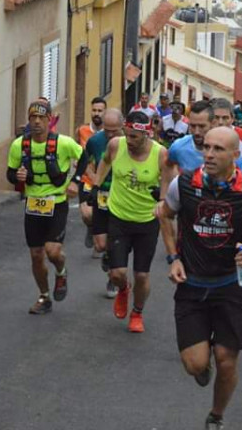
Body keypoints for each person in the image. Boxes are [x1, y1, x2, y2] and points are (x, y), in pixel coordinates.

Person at [157, 127, 242, 430]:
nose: (208, 154)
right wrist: (173, 258)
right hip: (192, 285)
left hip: (230, 285)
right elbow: (165, 214)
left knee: (226, 359)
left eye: (218, 149)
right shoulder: (183, 184)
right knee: (195, 364)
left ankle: (216, 415)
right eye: (206, 148)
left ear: (236, 155)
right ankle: (201, 360)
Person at [94, 111, 172, 333]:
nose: (129, 141)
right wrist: (96, 185)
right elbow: (105, 162)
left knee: (141, 274)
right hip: (118, 216)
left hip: (146, 221)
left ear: (147, 135)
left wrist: (162, 199)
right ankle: (123, 289)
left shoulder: (160, 154)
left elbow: (168, 180)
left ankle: (137, 312)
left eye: (134, 138)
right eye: (127, 135)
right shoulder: (116, 145)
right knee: (117, 273)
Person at [6, 101, 83, 314]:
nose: (37, 122)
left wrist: (76, 180)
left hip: (57, 202)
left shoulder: (64, 143)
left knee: (53, 251)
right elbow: (10, 173)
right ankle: (44, 296)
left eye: (41, 118)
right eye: (33, 118)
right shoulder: (19, 145)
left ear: (50, 119)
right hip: (33, 205)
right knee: (36, 255)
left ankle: (61, 269)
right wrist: (17, 176)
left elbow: (84, 157)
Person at [74, 109, 126, 298]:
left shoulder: (130, 141)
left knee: (116, 237)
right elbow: (84, 161)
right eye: (107, 130)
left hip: (122, 196)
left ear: (123, 126)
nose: (110, 134)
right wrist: (94, 177)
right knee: (101, 245)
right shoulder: (96, 141)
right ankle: (106, 254)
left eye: (115, 130)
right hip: (101, 193)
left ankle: (113, 278)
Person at [167, 101, 242, 176]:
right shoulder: (178, 147)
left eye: (202, 126)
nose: (196, 132)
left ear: (213, 123)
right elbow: (168, 167)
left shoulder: (228, 150)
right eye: (192, 126)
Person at [76, 98, 107, 250]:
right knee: (87, 214)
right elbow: (78, 154)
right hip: (87, 179)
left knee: (103, 213)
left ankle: (102, 242)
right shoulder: (82, 130)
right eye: (94, 110)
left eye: (100, 111)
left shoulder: (110, 134)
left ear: (105, 113)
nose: (97, 114)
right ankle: (91, 227)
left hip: (104, 181)